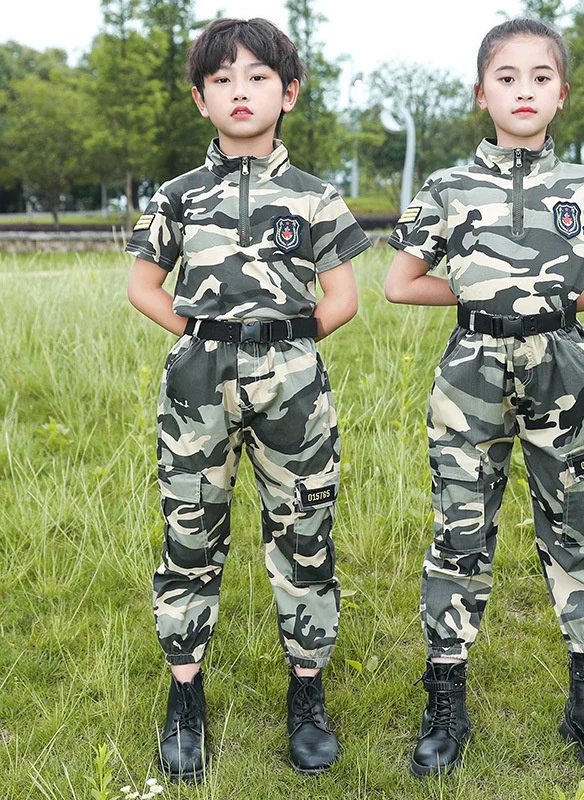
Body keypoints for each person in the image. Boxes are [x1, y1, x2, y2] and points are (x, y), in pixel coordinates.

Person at [385, 18, 584, 779]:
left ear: (562, 94)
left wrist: (570, 302)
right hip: (471, 373)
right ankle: (445, 703)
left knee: (578, 532)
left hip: (564, 370)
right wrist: (487, 296)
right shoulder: (449, 188)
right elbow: (399, 283)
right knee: (460, 532)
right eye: (506, 78)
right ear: (482, 94)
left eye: (539, 78)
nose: (523, 91)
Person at [126, 17, 371, 782]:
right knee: (190, 535)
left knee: (303, 533)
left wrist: (284, 346)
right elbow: (142, 286)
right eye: (222, 79)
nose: (241, 91)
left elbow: (344, 298)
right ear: (200, 99)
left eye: (258, 77)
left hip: (291, 383)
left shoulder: (315, 197)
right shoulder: (176, 196)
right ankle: (185, 697)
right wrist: (205, 337)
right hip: (196, 384)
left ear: (288, 92)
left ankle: (306, 694)